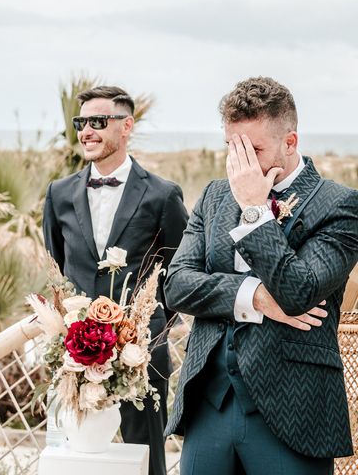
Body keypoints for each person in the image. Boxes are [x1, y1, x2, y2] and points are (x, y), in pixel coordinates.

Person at [164, 77, 358, 475]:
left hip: (294, 411)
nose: (240, 164)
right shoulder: (215, 195)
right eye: (231, 149)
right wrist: (253, 296)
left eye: (252, 150)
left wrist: (254, 208)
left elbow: (298, 290)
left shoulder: (339, 205)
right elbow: (177, 284)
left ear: (290, 142)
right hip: (209, 405)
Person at [43, 85, 188, 475]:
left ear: (127, 126)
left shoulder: (162, 194)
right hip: (75, 352)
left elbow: (180, 269)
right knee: (79, 456)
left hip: (139, 353)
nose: (86, 131)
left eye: (97, 122)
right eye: (81, 122)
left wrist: (149, 328)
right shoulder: (58, 194)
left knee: (147, 457)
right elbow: (59, 259)